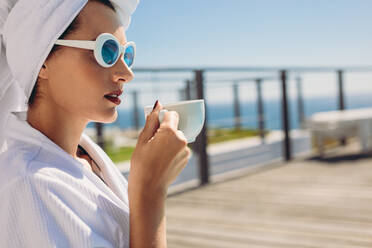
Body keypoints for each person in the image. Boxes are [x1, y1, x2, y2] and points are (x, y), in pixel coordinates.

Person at [0, 0, 191, 247]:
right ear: (42, 60)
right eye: (107, 51)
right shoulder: (29, 184)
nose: (127, 73)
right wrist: (149, 192)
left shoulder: (85, 157)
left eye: (127, 54)